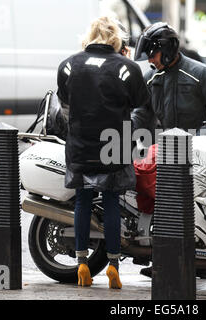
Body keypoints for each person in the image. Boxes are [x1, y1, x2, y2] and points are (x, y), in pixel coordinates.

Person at [131, 22, 206, 280]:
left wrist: (201, 139)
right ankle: (163, 258)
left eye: (152, 54)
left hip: (198, 151)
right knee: (163, 202)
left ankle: (204, 262)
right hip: (165, 150)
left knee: (200, 204)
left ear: (166, 49)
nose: (150, 61)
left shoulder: (201, 73)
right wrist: (126, 133)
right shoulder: (151, 77)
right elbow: (142, 113)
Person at [56, 17, 150, 289]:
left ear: (89, 36)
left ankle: (82, 263)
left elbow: (65, 106)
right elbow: (141, 105)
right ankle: (113, 265)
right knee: (111, 203)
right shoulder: (128, 68)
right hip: (114, 146)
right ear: (116, 39)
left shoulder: (69, 65)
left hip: (80, 145)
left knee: (83, 202)